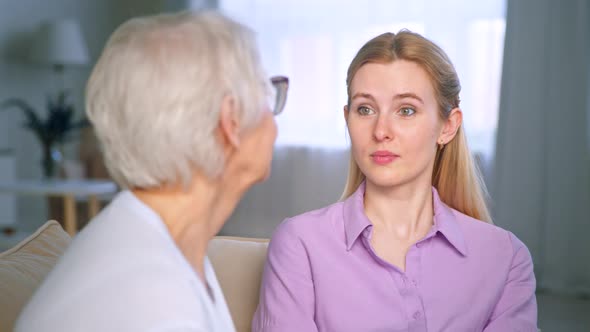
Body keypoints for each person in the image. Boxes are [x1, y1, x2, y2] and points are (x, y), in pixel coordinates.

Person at [16, 10, 288, 332]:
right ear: (230, 121)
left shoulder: (165, 244)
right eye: (268, 94)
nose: (274, 117)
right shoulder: (153, 300)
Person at [253, 30, 537, 332]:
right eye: (365, 109)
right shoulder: (300, 244)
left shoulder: (505, 258)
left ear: (448, 127)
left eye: (406, 110)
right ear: (348, 119)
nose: (381, 131)